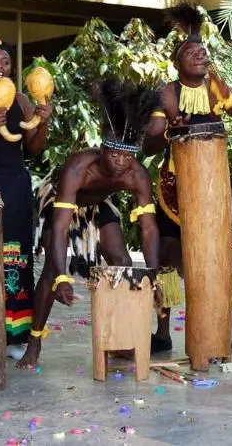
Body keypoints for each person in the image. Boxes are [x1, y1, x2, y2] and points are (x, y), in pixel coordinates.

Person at [144, 2, 232, 356]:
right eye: (191, 52)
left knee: (224, 256)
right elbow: (150, 142)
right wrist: (168, 125)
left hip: (212, 188)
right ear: (178, 61)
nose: (200, 55)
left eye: (203, 51)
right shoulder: (166, 92)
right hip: (173, 187)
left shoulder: (216, 88)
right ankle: (162, 333)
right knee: (167, 255)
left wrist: (227, 98)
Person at [16, 77, 161, 368]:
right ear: (102, 149)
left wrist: (156, 274)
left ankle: (120, 340)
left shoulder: (137, 176)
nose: (121, 162)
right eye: (115, 154)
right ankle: (34, 342)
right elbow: (59, 227)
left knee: (122, 262)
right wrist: (61, 277)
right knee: (50, 275)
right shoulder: (79, 168)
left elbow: (148, 228)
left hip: (98, 204)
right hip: (60, 203)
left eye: (127, 155)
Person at [0, 38, 53, 360]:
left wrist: (42, 120)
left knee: (17, 256)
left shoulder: (19, 98)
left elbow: (34, 148)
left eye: (4, 61)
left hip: (16, 184)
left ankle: (16, 335)